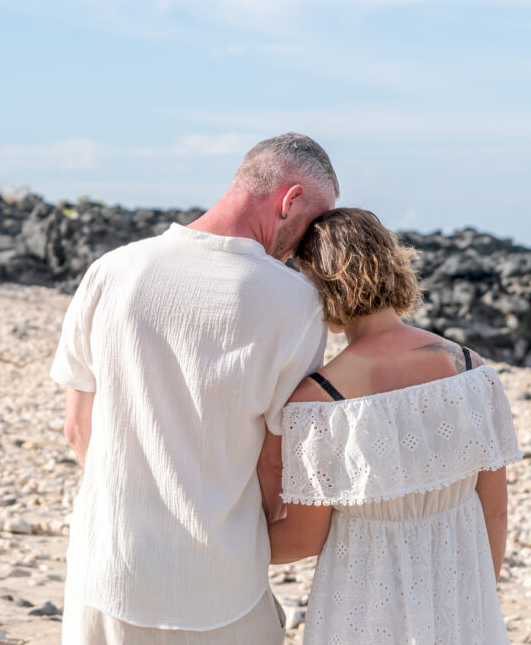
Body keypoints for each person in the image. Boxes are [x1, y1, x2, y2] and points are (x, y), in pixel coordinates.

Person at [51, 133, 338, 644]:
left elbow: (78, 429)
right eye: (316, 220)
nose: (311, 241)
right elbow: (275, 460)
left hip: (110, 565)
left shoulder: (114, 270)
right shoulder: (295, 303)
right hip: (221, 583)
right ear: (290, 200)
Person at [269, 208, 521, 644]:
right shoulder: (470, 370)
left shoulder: (316, 402)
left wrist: (223, 544)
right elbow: (494, 510)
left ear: (316, 285)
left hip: (362, 606)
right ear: (392, 262)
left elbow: (303, 541)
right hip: (462, 600)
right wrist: (478, 603)